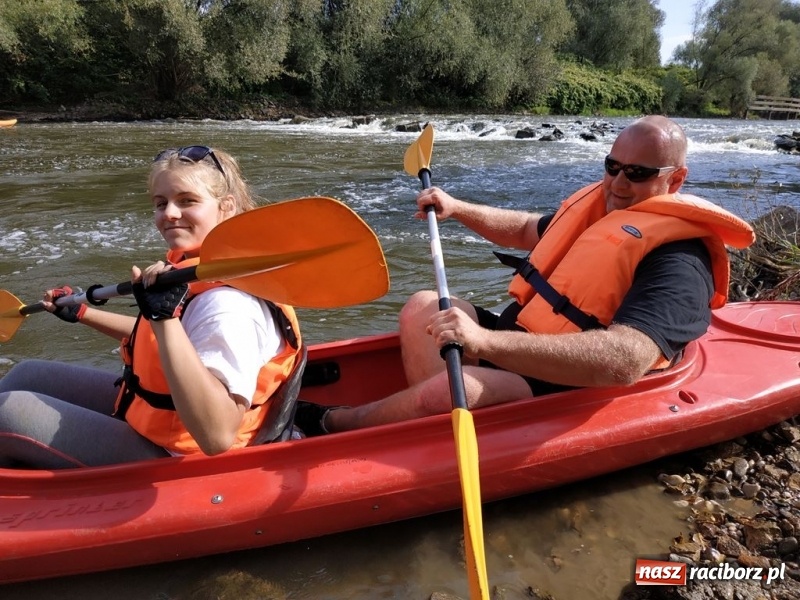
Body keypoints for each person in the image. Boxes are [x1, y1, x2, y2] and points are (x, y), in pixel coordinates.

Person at [294, 115, 754, 435]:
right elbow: (525, 229)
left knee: (455, 386)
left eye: (637, 173)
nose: (618, 184)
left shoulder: (679, 256)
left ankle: (335, 423)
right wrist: (454, 207)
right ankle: (431, 426)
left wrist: (485, 343)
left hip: (563, 381)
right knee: (421, 308)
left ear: (675, 179)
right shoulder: (601, 208)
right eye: (612, 167)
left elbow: (627, 358)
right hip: (522, 336)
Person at [0, 146, 303, 468]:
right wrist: (83, 313)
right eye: (161, 203)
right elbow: (164, 338)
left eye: (187, 201)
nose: (169, 213)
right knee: (28, 374)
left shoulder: (229, 307)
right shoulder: (198, 271)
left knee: (8, 412)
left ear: (226, 207)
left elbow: (216, 436)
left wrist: (163, 317)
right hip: (164, 424)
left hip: (186, 457)